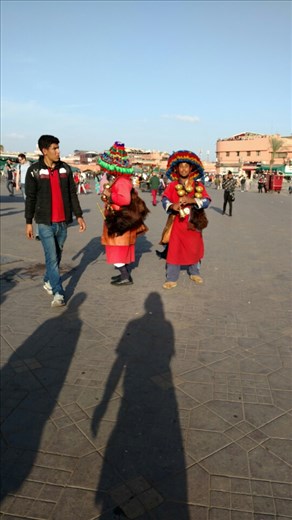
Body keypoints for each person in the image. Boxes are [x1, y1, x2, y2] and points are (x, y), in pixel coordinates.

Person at [25, 134, 86, 307]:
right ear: (45, 151)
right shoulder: (35, 171)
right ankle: (59, 293)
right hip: (44, 222)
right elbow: (30, 197)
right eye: (54, 148)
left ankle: (47, 280)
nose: (58, 151)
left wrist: (79, 216)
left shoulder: (65, 169)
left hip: (63, 222)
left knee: (57, 255)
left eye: (58, 147)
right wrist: (29, 222)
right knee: (51, 258)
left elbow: (72, 194)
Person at [98, 141, 150, 286]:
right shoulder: (120, 180)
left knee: (117, 249)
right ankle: (123, 275)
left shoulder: (121, 181)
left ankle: (125, 275)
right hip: (118, 218)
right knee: (118, 249)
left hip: (120, 221)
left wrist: (110, 196)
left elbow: (125, 200)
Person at [160, 150, 211, 290]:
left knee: (194, 248)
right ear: (176, 168)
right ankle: (171, 278)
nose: (183, 169)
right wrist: (172, 206)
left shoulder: (198, 186)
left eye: (186, 166)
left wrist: (192, 200)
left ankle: (194, 272)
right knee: (174, 250)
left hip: (193, 223)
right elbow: (164, 200)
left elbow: (207, 201)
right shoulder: (171, 186)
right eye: (181, 166)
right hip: (177, 223)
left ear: (191, 168)